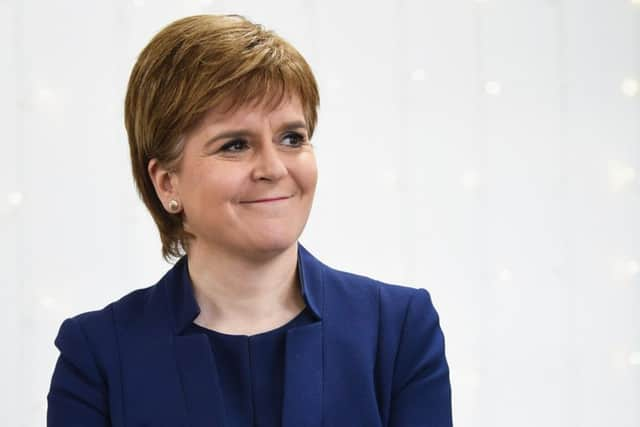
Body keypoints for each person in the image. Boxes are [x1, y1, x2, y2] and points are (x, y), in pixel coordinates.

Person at [46, 14, 452, 427]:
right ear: (168, 183)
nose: (273, 168)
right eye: (235, 145)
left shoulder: (399, 330)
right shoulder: (98, 355)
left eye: (292, 138)